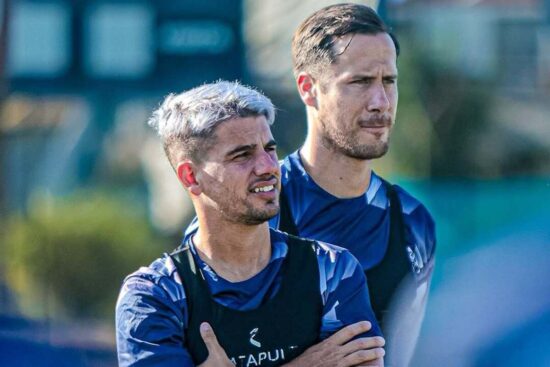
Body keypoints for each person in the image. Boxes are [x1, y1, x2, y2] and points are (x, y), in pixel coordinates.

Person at [115, 81, 385, 367]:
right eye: (242, 155)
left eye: (269, 149)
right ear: (191, 177)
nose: (268, 166)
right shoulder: (155, 297)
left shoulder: (331, 270)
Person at [273, 3, 437, 365]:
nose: (380, 102)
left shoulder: (414, 223)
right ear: (308, 88)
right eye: (360, 82)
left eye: (388, 81)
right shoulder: (252, 211)